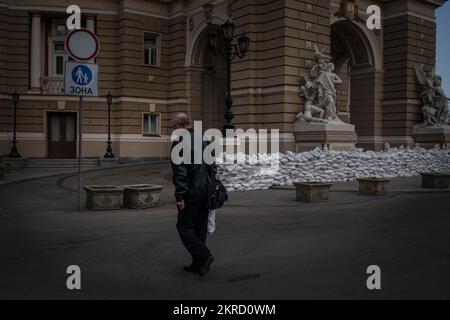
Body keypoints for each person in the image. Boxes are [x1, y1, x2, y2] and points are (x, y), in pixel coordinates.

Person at [171, 113, 215, 277]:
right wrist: (211, 187)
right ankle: (198, 264)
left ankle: (204, 256)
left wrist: (180, 196)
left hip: (191, 192)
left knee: (184, 227)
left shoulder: (179, 140)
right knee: (200, 228)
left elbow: (180, 171)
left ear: (177, 126)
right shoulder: (203, 137)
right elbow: (212, 165)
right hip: (206, 191)